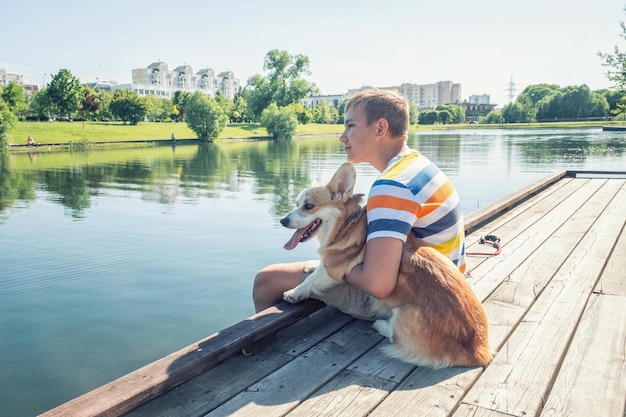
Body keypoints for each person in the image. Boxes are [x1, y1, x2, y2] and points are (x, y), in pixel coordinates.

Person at [252, 88, 466, 316]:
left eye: (350, 126)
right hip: (448, 290)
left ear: (380, 128)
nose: (342, 136)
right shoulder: (419, 166)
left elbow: (378, 285)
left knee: (267, 279)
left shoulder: (393, 185)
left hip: (415, 305)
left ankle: (257, 351)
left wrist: (336, 263)